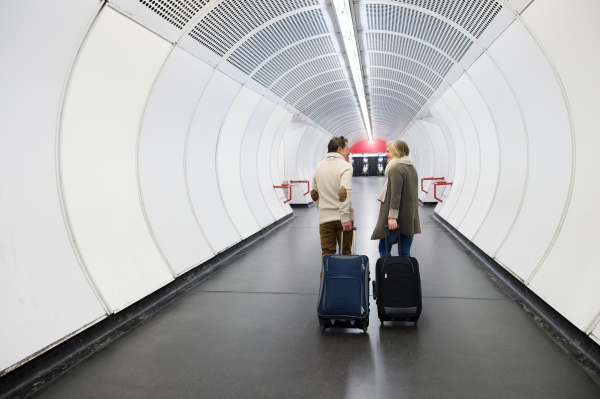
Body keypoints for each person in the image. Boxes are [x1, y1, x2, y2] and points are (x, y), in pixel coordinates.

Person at [371, 140, 421, 257]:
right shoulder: (411, 168)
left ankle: (387, 274)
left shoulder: (396, 169)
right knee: (405, 251)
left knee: (384, 249)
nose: (385, 154)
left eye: (388, 151)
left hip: (396, 221)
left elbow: (395, 195)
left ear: (397, 153)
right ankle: (404, 275)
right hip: (409, 219)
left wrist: (392, 217)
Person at [311, 136, 354, 267]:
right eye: (347, 149)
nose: (349, 152)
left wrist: (323, 210)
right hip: (343, 220)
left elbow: (314, 193)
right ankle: (345, 281)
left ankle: (326, 282)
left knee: (327, 253)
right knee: (345, 253)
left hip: (325, 220)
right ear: (339, 150)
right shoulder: (345, 166)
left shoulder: (319, 166)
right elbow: (344, 193)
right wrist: (345, 217)